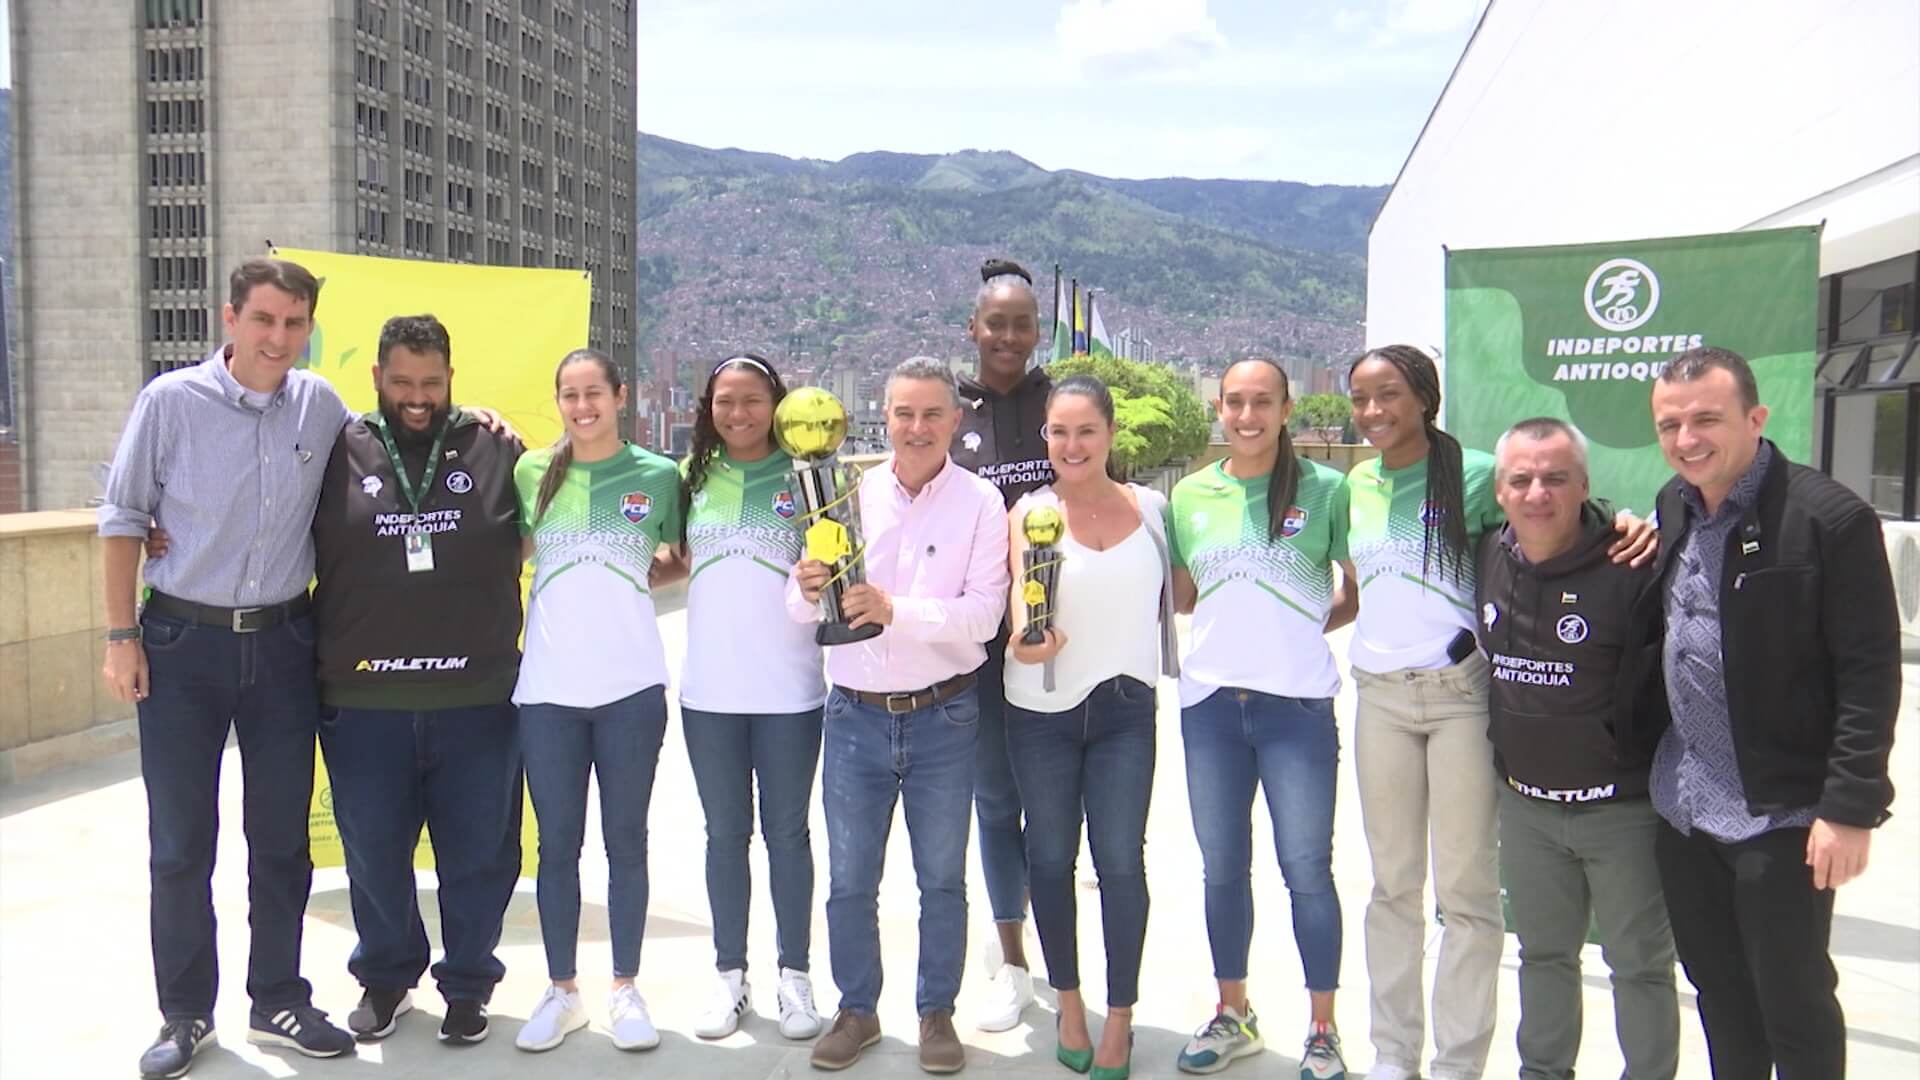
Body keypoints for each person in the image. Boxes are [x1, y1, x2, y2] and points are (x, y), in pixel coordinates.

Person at [1344, 345, 1655, 1080]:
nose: (1373, 411)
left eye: (1389, 393)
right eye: (1360, 398)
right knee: (1392, 889)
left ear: (1425, 395)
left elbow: (1555, 521)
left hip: (1461, 698)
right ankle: (1394, 1053)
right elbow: (1357, 586)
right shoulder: (1353, 483)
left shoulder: (1479, 474)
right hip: (1380, 699)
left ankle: (1457, 1063)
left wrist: (1629, 523)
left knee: (1467, 894)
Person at [100, 257, 360, 1078]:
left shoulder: (321, 405)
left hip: (285, 644)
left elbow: (386, 451)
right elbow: (122, 517)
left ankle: (278, 995)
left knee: (281, 840)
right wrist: (119, 635)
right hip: (181, 645)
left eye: (294, 323)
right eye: (264, 320)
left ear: (310, 326)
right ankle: (185, 1014)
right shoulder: (170, 403)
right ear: (231, 318)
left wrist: (482, 418)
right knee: (181, 844)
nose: (278, 337)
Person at [1624, 346, 1899, 1080]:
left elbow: (1869, 674)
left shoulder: (1829, 519)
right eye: (1670, 424)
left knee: (1795, 1002)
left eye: (1707, 419)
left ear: (1756, 417)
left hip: (1782, 813)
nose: (1687, 440)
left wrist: (1850, 808)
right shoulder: (1673, 503)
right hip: (1685, 808)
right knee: (1720, 995)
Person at [307, 314, 526, 1047]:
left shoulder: (497, 447)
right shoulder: (337, 449)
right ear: (376, 378)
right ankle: (387, 976)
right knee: (372, 851)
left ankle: (468, 983)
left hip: (478, 697)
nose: (417, 397)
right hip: (364, 697)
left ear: (451, 379)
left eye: (431, 383)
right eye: (402, 381)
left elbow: (562, 520)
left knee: (480, 855)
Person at [790, 356, 1010, 1074]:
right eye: (903, 413)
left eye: (931, 414)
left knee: (940, 878)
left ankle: (935, 1011)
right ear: (882, 418)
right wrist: (803, 586)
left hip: (945, 718)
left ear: (955, 420)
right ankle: (857, 1009)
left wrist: (894, 611)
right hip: (853, 716)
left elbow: (983, 617)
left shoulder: (981, 504)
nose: (917, 428)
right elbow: (801, 611)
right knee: (852, 878)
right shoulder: (841, 496)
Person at [1170, 358, 1358, 1080]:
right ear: (1219, 408)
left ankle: (1322, 1029)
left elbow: (1353, 590)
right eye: (1235, 403)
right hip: (1211, 709)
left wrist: (1302, 634)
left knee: (1307, 870)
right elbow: (1187, 597)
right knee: (1223, 869)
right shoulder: (1190, 495)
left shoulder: (1328, 489)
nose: (1247, 416)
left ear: (1286, 408)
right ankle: (1234, 1012)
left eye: (1262, 403)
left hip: (1297, 712)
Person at [1474, 417, 1677, 1080]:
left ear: (1585, 486)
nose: (1539, 492)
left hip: (1620, 811)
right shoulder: (1484, 557)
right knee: (1543, 957)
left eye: (1556, 478)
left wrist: (1634, 522)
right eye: (1522, 479)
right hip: (1527, 810)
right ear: (1500, 490)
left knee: (1640, 966)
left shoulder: (1634, 561)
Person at [1003, 375, 1179, 1080]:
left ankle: (1122, 1019)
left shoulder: (1157, 510)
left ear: (1109, 434)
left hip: (1125, 712)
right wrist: (1029, 642)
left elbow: (1189, 591)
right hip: (1041, 714)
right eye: (1058, 431)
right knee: (1048, 860)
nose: (1070, 445)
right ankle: (1070, 1006)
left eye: (1085, 431)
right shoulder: (1029, 511)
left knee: (1120, 863)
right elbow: (1023, 610)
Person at [510, 350, 684, 1054]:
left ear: (620, 397)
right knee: (558, 849)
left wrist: (627, 583)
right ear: (559, 402)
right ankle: (562, 992)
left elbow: (681, 555)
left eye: (594, 394)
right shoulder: (529, 473)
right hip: (548, 692)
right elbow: (513, 549)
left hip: (630, 691)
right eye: (569, 396)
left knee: (626, 844)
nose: (583, 407)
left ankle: (624, 989)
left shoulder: (657, 474)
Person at [658, 354, 826, 1041]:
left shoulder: (808, 474)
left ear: (776, 403)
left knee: (787, 835)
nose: (738, 414)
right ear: (708, 407)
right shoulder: (689, 477)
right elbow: (668, 560)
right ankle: (731, 978)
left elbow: (838, 562)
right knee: (725, 835)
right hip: (710, 693)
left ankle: (796, 978)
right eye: (725, 401)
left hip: (791, 692)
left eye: (752, 400)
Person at [951, 258, 1053, 1032]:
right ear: (974, 329)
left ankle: (1060, 948)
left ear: (1036, 331)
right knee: (995, 801)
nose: (1009, 336)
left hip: (1058, 639)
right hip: (980, 644)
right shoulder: (951, 412)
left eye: (1022, 323)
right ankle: (1011, 962)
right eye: (997, 322)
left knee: (1055, 805)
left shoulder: (1067, 404)